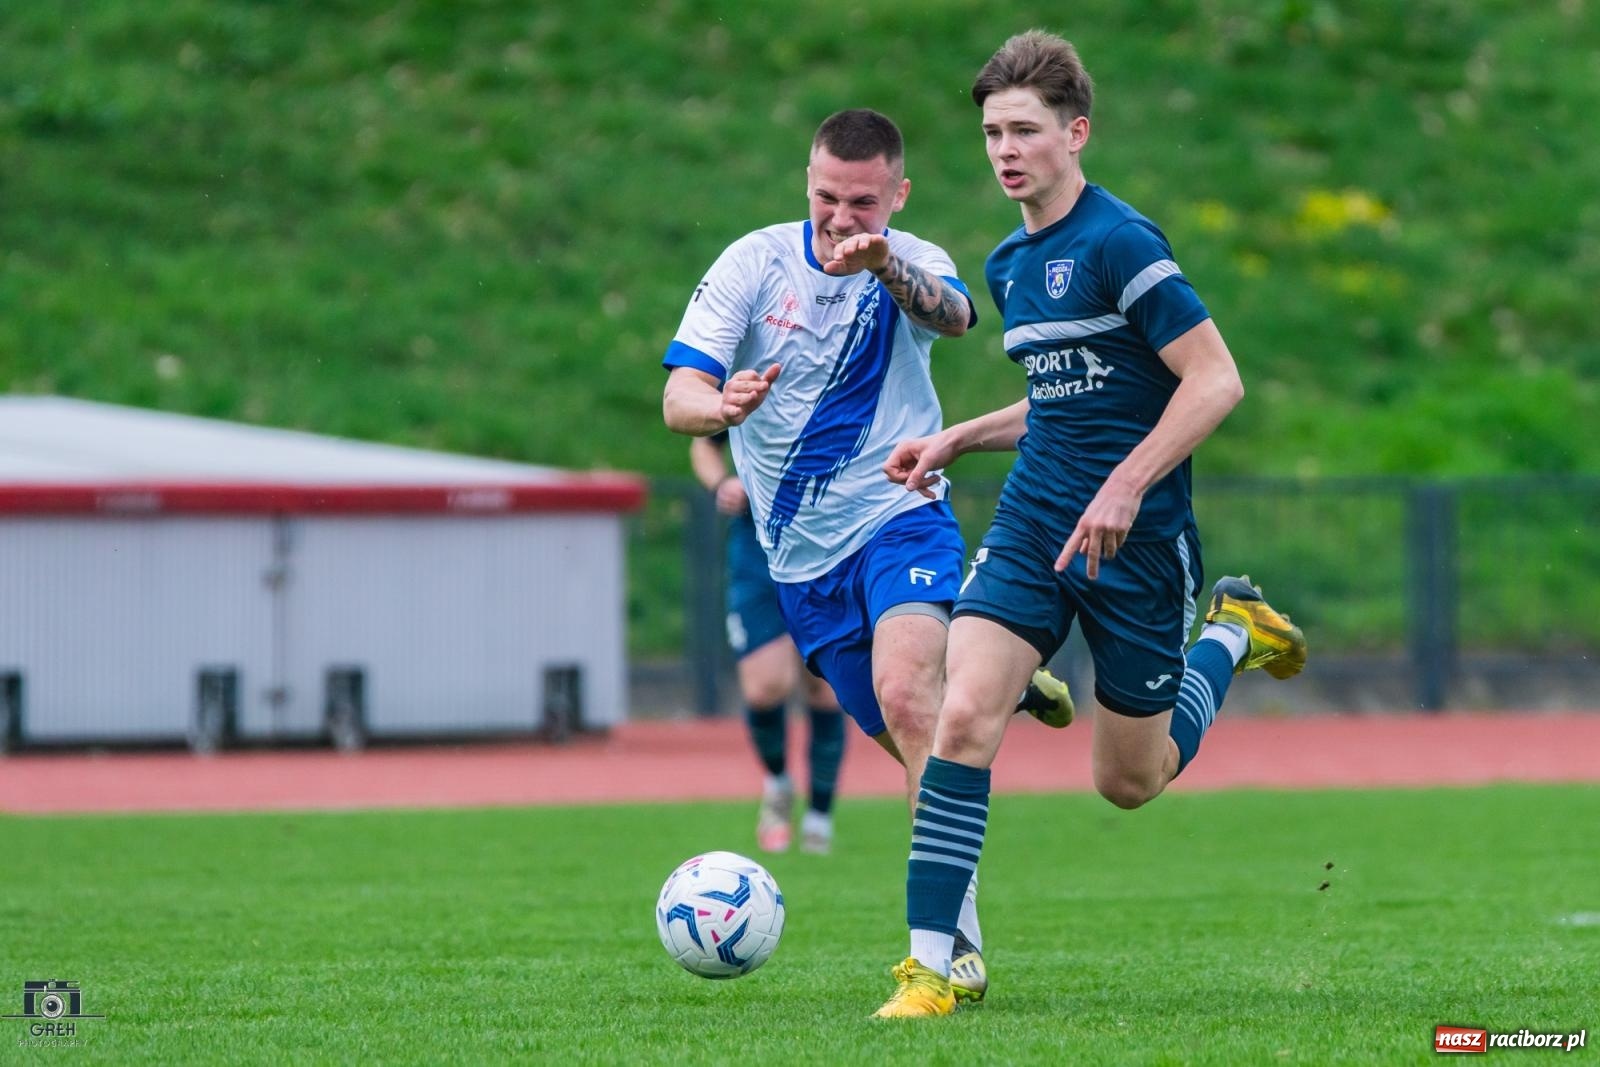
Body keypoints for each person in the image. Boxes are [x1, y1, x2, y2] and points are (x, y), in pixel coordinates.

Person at [872, 31, 1308, 1018]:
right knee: (963, 713)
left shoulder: (1121, 243)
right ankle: (932, 967)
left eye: (1023, 129)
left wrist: (1125, 485)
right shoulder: (1006, 262)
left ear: (1076, 132)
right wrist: (956, 436)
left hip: (1139, 540)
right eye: (990, 131)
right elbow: (1063, 400)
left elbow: (1213, 378)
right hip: (1033, 522)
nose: (1004, 150)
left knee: (1130, 778)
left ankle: (1232, 630)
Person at [663, 107, 1075, 1005]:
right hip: (801, 563)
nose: (840, 217)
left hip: (900, 512)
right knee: (912, 739)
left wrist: (887, 264)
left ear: (898, 194)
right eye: (824, 196)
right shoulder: (753, 262)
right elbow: (678, 394)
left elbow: (959, 317)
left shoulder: (912, 257)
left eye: (861, 202)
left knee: (908, 698)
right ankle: (991, 670)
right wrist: (720, 406)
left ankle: (948, 948)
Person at [689, 432, 847, 855]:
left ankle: (820, 813)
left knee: (823, 686)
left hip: (829, 542)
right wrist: (722, 483)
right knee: (764, 688)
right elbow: (704, 441)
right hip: (758, 549)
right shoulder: (751, 373)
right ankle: (778, 783)